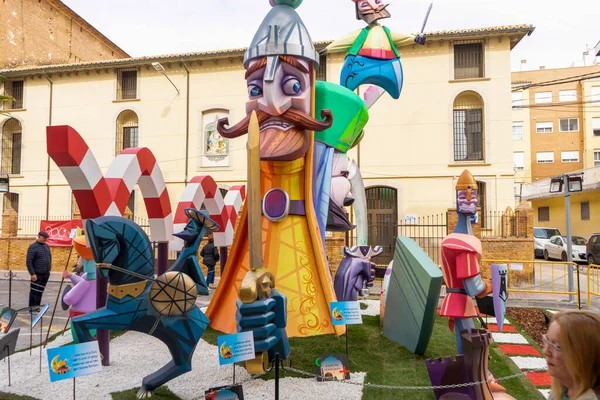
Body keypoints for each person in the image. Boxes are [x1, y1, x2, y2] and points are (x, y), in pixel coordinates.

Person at [544, 310, 600, 400]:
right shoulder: (564, 387)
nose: (546, 351)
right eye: (546, 341)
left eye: (557, 346)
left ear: (583, 354)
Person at [26, 231, 52, 312]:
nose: (45, 240)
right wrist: (32, 273)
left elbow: (49, 258)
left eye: (46, 239)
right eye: (44, 238)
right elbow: (29, 261)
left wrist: (49, 269)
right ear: (39, 236)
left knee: (40, 291)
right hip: (37, 274)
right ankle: (32, 308)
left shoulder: (46, 246)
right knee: (34, 291)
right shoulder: (33, 247)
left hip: (45, 273)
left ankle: (37, 306)